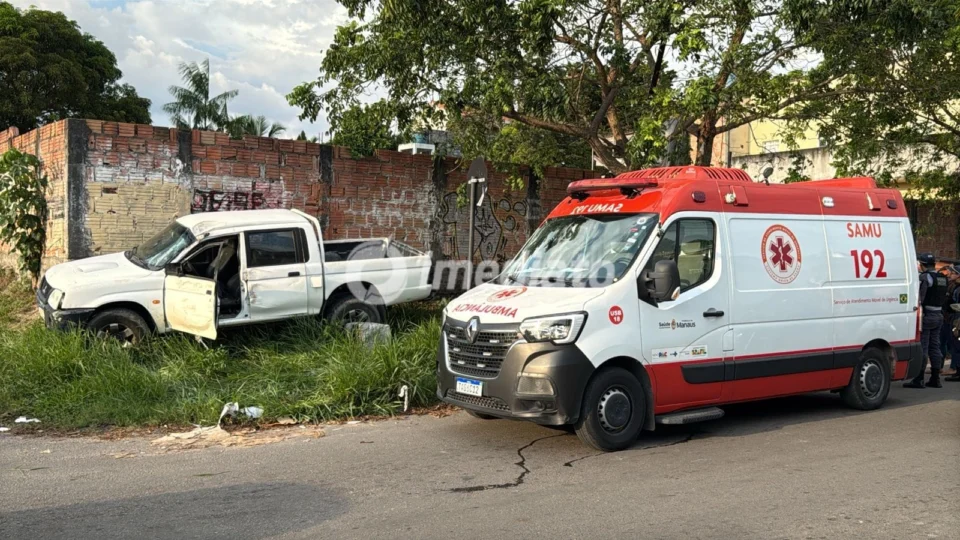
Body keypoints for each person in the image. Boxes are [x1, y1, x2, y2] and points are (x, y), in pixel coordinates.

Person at [905, 253, 949, 388]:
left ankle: (919, 379)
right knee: (935, 346)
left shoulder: (925, 277)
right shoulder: (943, 278)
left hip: (927, 315)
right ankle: (935, 378)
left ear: (922, 265)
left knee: (923, 346)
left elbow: (920, 297)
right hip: (939, 315)